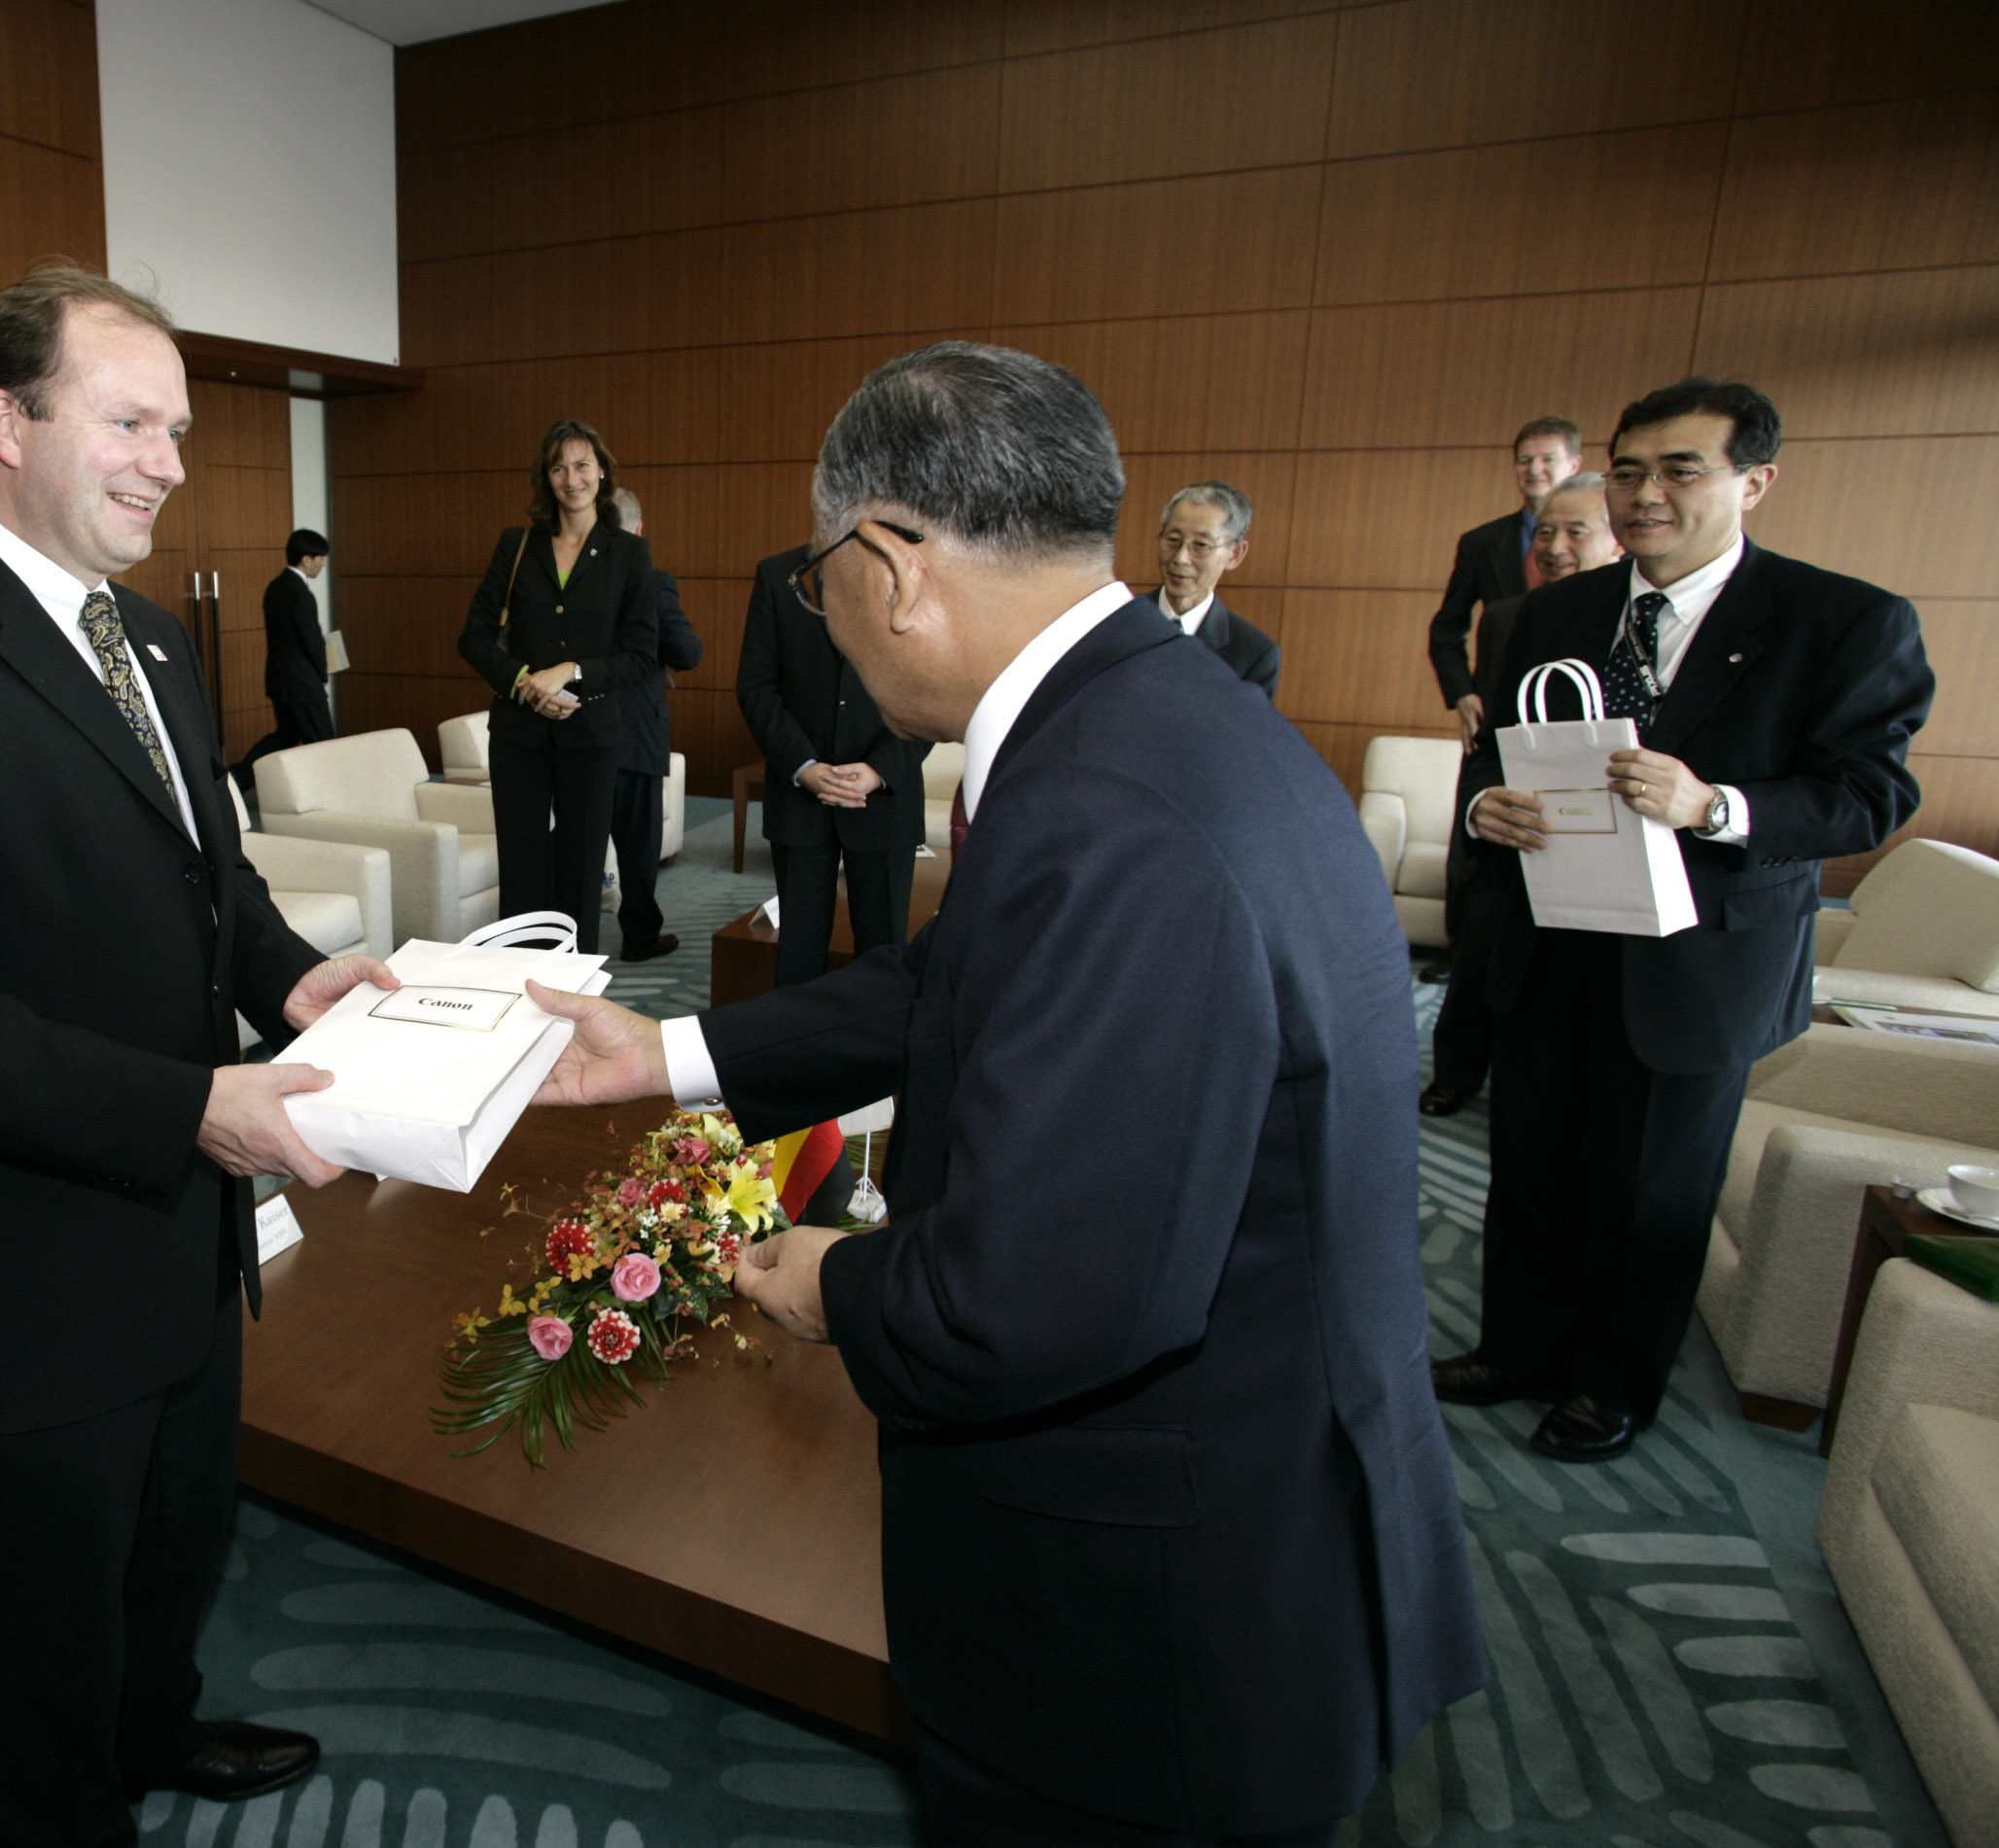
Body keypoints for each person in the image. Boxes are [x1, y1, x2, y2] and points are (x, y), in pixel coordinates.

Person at [525, 342, 1483, 1846]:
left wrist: (832, 1283)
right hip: (1252, 1489)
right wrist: (666, 1055)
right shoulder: (1151, 714)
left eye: (819, 582)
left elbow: (1038, 1297)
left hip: (1155, 1612)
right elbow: (953, 980)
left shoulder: (1104, 804)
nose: (825, 618)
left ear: (893, 562)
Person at [0, 265, 394, 1845]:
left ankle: (152, 1728)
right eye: (131, 424)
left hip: (183, 1228)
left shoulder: (155, 645)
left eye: (175, 429)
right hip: (32, 1258)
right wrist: (190, 1106)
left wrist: (297, 980)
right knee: (46, 1604)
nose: (169, 463)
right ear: (7, 422)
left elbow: (211, 885)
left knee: (177, 1532)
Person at [1439, 378, 1932, 1462]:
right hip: (1549, 937)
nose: (1645, 494)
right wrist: (1484, 807)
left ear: (1754, 482)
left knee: (1650, 1186)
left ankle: (1612, 1385)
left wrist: (1715, 805)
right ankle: (1517, 1345)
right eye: (1628, 470)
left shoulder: (1842, 619)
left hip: (1700, 959)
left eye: (1680, 470)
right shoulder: (1547, 613)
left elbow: (1870, 794)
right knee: (1531, 1162)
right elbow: (1489, 754)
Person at [1421, 475, 1621, 1115]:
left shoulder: (1642, 625)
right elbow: (1490, 736)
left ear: (1616, 539)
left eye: (1575, 532)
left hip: (1609, 830)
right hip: (1517, 823)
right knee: (1479, 957)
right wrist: (1482, 802)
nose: (1555, 547)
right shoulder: (1509, 618)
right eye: (1545, 532)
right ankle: (1454, 1074)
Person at [456, 418, 661, 954]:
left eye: (582, 465)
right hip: (518, 735)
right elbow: (473, 637)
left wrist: (571, 672)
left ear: (602, 471)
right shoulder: (516, 544)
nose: (572, 479)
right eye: (559, 468)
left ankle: (574, 989)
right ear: (545, 477)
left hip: (591, 734)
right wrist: (525, 682)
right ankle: (518, 987)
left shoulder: (628, 553)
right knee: (521, 872)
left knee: (581, 874)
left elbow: (642, 658)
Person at [737, 540, 928, 986]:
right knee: (797, 956)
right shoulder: (777, 573)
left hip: (884, 798)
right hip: (800, 795)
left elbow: (932, 688)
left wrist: (879, 770)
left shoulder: (919, 571)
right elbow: (756, 686)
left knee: (883, 957)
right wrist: (802, 765)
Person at [1428, 415, 1580, 752]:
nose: (1534, 469)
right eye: (1525, 460)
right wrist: (1462, 693)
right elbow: (1446, 627)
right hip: (1496, 708)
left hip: (1574, 706)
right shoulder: (1481, 543)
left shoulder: (1606, 540)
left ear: (1574, 465)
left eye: (1548, 459)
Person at [605, 487, 702, 962]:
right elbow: (688, 652)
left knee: (580, 847)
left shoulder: (569, 587)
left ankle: (571, 945)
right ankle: (640, 938)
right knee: (638, 848)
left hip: (580, 733)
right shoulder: (654, 583)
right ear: (640, 531)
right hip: (637, 733)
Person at [1150, 480, 1280, 698]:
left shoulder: (1254, 654)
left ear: (1235, 554)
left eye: (1201, 545)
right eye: (1173, 540)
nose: (1181, 558)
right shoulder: (1118, 621)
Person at [239, 527, 333, 777]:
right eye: (321, 558)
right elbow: (311, 640)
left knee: (285, 736)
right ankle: (329, 788)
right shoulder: (300, 593)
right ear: (306, 559)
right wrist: (322, 674)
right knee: (324, 742)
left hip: (281, 680)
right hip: (303, 683)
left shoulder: (275, 587)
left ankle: (238, 777)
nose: (323, 564)